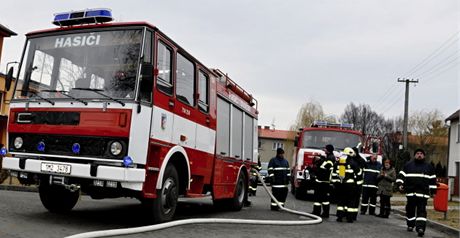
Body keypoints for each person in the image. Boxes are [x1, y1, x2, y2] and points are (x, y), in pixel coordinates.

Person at [396, 149, 437, 237]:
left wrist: (433, 192)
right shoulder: (408, 165)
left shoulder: (429, 167)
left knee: (421, 212)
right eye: (417, 153)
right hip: (411, 193)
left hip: (423, 194)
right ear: (414, 155)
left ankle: (420, 228)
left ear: (424, 156)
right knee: (410, 210)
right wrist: (400, 184)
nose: (419, 155)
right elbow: (401, 175)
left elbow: (433, 180)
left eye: (421, 154)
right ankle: (410, 225)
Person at [331, 147, 360, 223]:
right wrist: (358, 184)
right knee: (350, 201)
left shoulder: (339, 162)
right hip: (350, 186)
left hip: (340, 185)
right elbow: (359, 173)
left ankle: (339, 217)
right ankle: (349, 218)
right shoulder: (353, 162)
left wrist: (335, 184)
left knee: (341, 201)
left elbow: (334, 174)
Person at [312, 144, 335, 218]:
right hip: (323, 181)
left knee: (320, 198)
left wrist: (317, 165)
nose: (324, 150)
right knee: (322, 198)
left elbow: (323, 169)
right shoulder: (329, 157)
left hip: (323, 182)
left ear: (328, 150)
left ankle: (319, 212)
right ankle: (321, 212)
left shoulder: (330, 159)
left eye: (325, 149)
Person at [350, 147, 366, 220]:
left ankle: (353, 215)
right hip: (352, 183)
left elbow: (360, 172)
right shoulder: (352, 159)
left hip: (356, 184)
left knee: (355, 200)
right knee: (352, 200)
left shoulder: (359, 161)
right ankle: (350, 215)